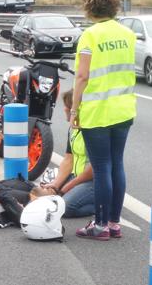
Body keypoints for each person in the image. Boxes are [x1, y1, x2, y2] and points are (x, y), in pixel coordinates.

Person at [70, 0, 136, 241]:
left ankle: (99, 226)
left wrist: (74, 108)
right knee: (116, 164)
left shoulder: (90, 35)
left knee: (101, 167)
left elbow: (83, 75)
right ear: (114, 5)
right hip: (123, 108)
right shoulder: (127, 34)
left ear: (89, 6)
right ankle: (114, 223)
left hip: (97, 111)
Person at [42, 89, 95, 218]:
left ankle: (103, 204)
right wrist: (55, 186)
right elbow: (68, 159)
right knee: (47, 194)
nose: (65, 109)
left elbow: (94, 169)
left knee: (64, 207)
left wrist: (67, 188)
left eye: (67, 106)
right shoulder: (74, 128)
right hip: (76, 177)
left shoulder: (93, 131)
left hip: (93, 180)